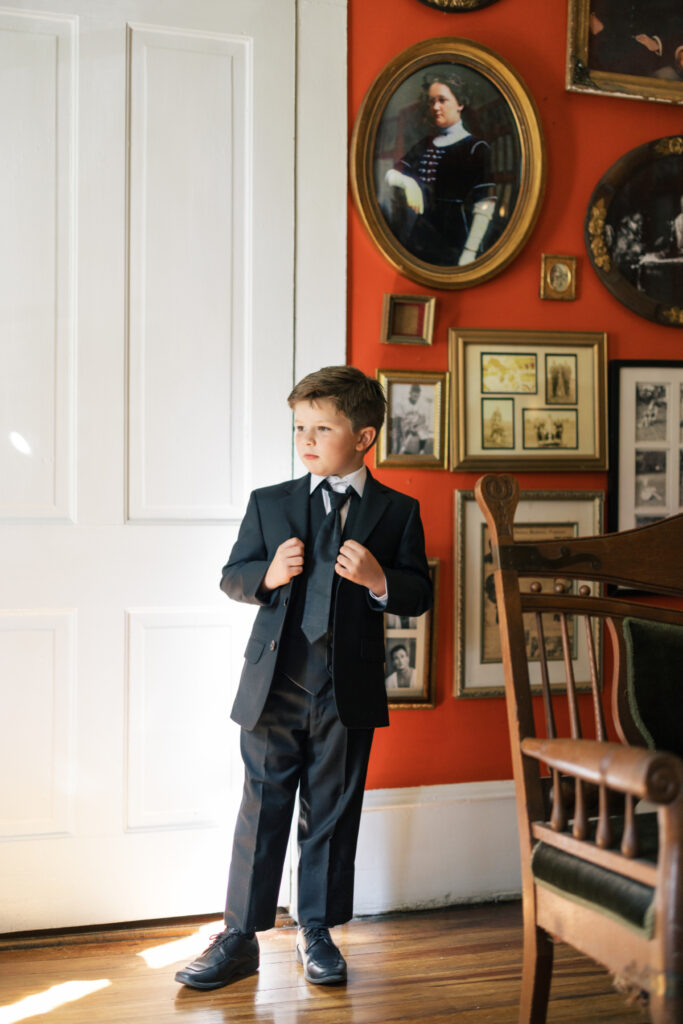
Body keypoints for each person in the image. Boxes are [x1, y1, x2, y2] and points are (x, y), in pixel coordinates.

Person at [175, 365, 432, 991]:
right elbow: (232, 575)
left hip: (346, 692)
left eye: (323, 427)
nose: (307, 440)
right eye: (300, 428)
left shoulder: (398, 512)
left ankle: (315, 931)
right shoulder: (271, 503)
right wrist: (267, 574)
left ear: (364, 437)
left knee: (332, 814)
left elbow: (418, 593)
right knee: (261, 810)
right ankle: (239, 937)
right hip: (275, 689)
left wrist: (378, 581)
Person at [384, 69, 496, 266]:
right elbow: (390, 175)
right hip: (419, 236)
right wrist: (408, 182)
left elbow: (484, 205)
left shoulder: (476, 147)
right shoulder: (425, 143)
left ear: (460, 104)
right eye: (431, 101)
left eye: (442, 100)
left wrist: (469, 253)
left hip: (455, 239)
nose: (435, 106)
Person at [393, 384, 431, 455]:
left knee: (424, 432)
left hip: (416, 425)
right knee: (402, 437)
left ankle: (421, 450)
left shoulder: (422, 404)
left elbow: (423, 419)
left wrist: (415, 426)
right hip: (405, 424)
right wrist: (408, 427)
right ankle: (400, 451)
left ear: (419, 394)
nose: (416, 394)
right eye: (414, 392)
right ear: (410, 393)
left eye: (417, 393)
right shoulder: (403, 403)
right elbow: (399, 419)